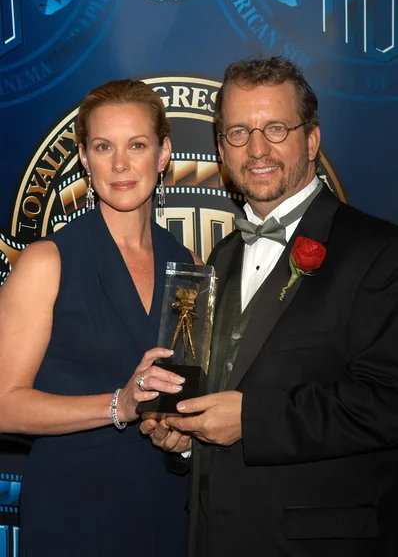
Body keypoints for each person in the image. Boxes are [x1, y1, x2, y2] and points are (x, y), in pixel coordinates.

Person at [141, 56, 398, 557]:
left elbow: (388, 402)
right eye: (238, 132)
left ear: (312, 140)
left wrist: (254, 420)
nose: (257, 149)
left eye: (275, 128)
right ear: (221, 149)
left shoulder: (378, 251)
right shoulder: (221, 256)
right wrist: (187, 438)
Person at [0, 78, 201, 556]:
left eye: (137, 145)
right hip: (74, 512)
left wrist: (180, 436)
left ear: (164, 152)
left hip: (167, 509)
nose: (121, 164)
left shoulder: (188, 263)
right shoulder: (47, 261)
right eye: (103, 147)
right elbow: (4, 403)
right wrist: (119, 405)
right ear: (85, 161)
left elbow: (182, 396)